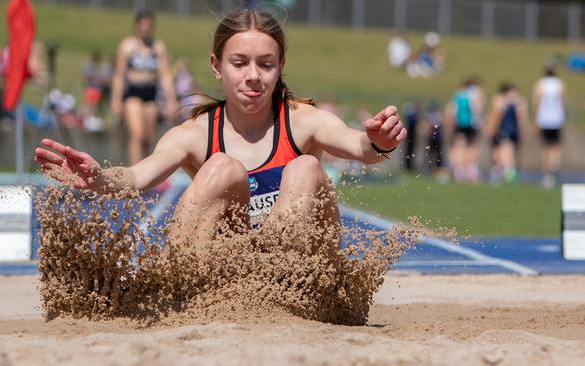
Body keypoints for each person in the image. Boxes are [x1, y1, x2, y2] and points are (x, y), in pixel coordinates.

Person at [34, 8, 406, 245]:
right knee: (221, 168)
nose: (253, 77)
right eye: (239, 63)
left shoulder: (303, 121)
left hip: (302, 271)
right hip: (231, 271)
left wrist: (379, 141)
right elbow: (135, 177)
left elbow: (359, 147)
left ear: (280, 67)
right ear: (217, 65)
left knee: (306, 167)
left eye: (265, 64)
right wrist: (99, 178)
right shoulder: (194, 134)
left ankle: (279, 277)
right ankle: (178, 285)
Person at [111, 9, 178, 164]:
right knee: (137, 134)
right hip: (133, 93)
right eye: (143, 25)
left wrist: (172, 101)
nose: (146, 28)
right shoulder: (128, 46)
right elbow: (119, 75)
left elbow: (166, 75)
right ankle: (134, 176)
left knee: (148, 138)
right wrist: (116, 101)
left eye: (149, 25)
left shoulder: (158, 47)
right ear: (137, 26)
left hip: (151, 93)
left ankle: (146, 175)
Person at [485, 82, 528, 184]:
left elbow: (521, 117)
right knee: (503, 151)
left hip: (509, 130)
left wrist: (522, 129)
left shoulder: (514, 101)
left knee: (507, 151)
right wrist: (491, 127)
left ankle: (506, 172)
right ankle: (504, 172)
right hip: (504, 129)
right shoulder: (502, 100)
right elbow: (496, 115)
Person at [445, 78, 483, 183]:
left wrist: (450, 125)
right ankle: (470, 170)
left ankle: (459, 171)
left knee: (459, 146)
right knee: (471, 147)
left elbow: (451, 110)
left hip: (459, 124)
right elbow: (477, 110)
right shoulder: (475, 93)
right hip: (471, 124)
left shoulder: (459, 94)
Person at [533, 67, 566, 188]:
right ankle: (554, 168)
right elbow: (562, 101)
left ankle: (546, 173)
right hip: (557, 119)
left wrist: (536, 118)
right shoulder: (559, 84)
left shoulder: (540, 84)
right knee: (556, 146)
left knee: (545, 146)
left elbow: (537, 101)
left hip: (544, 119)